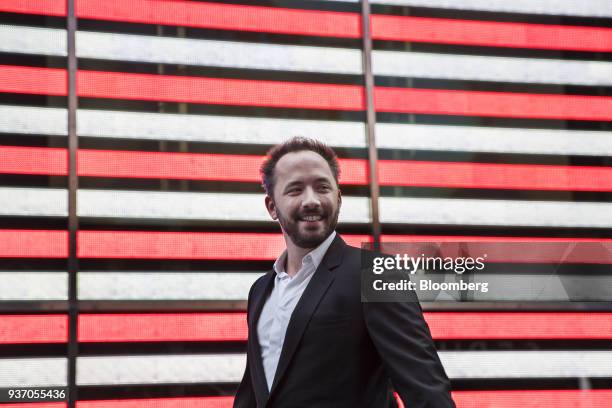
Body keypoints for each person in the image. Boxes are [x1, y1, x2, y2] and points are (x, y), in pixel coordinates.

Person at [234, 137, 455, 407]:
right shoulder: (260, 290)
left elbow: (426, 391)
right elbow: (254, 394)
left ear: (338, 198)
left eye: (322, 187)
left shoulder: (375, 274)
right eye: (295, 190)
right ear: (272, 207)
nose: (311, 201)